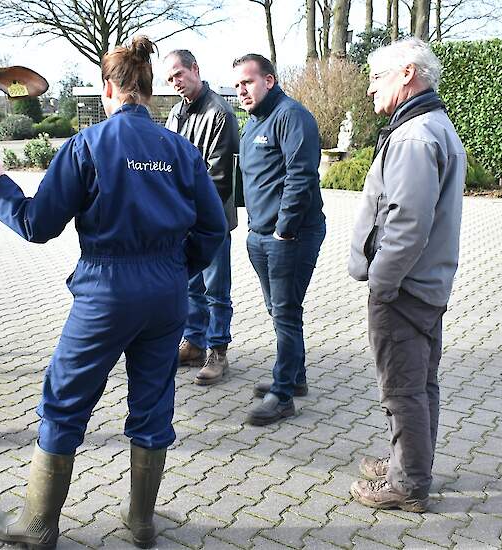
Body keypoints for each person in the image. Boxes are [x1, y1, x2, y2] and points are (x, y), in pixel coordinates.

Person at [0, 37, 227, 549]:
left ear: (108, 87)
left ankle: (39, 524)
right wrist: (176, 272)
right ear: (150, 90)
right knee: (154, 402)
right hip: (166, 293)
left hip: (107, 292)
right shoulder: (180, 149)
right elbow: (214, 226)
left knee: (65, 401)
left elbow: (37, 223)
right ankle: (141, 524)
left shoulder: (86, 146)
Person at [347, 38, 466, 512]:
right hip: (423, 284)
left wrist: (382, 281)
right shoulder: (426, 126)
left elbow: (407, 222)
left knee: (402, 388)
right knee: (419, 382)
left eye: (377, 77)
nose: (370, 88)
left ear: (408, 74)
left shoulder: (416, 136)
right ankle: (411, 460)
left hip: (405, 288)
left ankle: (408, 482)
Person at [232, 54, 326, 426]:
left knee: (286, 313)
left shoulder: (292, 116)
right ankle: (294, 376)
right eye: (237, 84)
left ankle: (283, 395)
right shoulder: (253, 123)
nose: (241, 90)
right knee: (279, 311)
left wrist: (283, 228)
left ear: (269, 81)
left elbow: (301, 175)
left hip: (291, 236)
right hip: (260, 235)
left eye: (248, 82)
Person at [163, 49, 240, 386]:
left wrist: (182, 204)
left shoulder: (220, 113)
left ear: (195, 68)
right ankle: (193, 343)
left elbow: (219, 177)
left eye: (179, 74)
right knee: (190, 286)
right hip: (182, 219)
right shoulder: (176, 114)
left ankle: (218, 351)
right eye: (169, 79)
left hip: (212, 221)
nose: (175, 82)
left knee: (216, 289)